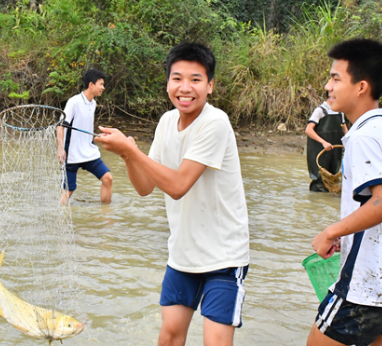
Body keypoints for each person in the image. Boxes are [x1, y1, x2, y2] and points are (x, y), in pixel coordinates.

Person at [95, 43, 250, 346]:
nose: (185, 88)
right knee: (169, 337)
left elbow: (178, 186)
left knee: (215, 342)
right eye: (177, 78)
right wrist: (128, 156)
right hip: (182, 255)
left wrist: (131, 149)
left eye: (196, 79)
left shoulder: (215, 122)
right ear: (167, 83)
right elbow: (145, 187)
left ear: (210, 86)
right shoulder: (167, 122)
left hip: (224, 256)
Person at [308, 39, 382, 346]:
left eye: (336, 78)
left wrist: (331, 230)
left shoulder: (362, 137)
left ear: (361, 86)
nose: (328, 86)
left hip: (365, 287)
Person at [56, 68, 113, 204]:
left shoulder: (93, 103)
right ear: (91, 85)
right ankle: (57, 219)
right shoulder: (74, 102)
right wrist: (60, 149)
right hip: (71, 154)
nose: (103, 88)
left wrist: (100, 137)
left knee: (107, 179)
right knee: (69, 191)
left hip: (88, 152)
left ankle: (106, 215)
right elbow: (60, 126)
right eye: (101, 84)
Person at [305, 100, 348, 192]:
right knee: (319, 178)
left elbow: (344, 127)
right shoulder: (320, 110)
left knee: (333, 175)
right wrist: (323, 142)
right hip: (319, 149)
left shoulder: (340, 111)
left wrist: (349, 142)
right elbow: (308, 130)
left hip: (335, 150)